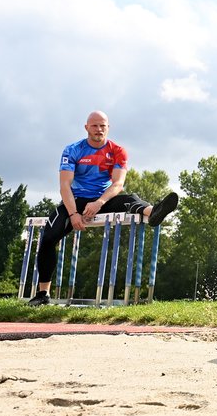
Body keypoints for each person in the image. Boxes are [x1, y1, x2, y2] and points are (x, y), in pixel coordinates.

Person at [28, 111, 179, 306]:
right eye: (94, 126)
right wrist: (74, 214)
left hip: (103, 200)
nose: (99, 130)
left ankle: (154, 213)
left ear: (108, 127)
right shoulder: (72, 150)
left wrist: (99, 202)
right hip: (76, 200)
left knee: (130, 199)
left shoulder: (118, 151)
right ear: (86, 128)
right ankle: (43, 294)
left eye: (103, 126)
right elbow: (64, 185)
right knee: (48, 238)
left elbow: (118, 184)